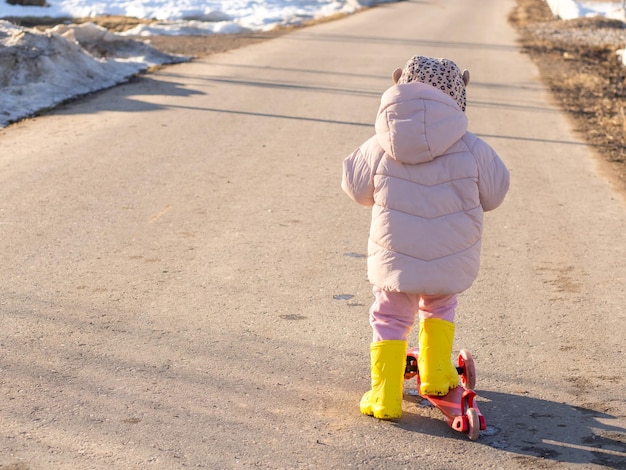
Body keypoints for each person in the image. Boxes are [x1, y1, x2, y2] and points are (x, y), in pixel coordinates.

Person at [341, 55, 510, 420]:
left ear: (400, 82)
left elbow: (356, 188)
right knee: (439, 304)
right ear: (458, 94)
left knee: (389, 316)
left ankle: (385, 396)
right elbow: (495, 195)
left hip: (395, 254)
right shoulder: (471, 146)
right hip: (449, 253)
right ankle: (435, 374)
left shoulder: (381, 141)